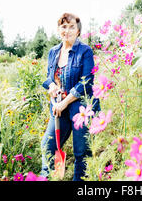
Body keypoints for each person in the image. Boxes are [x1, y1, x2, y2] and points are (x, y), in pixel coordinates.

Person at [40, 12, 100, 181]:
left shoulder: (85, 51)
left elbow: (86, 82)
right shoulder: (53, 52)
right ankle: (47, 178)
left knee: (81, 150)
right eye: (64, 26)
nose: (67, 30)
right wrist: (51, 85)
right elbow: (49, 76)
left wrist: (64, 102)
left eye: (72, 27)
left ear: (78, 31)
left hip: (80, 106)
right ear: (59, 30)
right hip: (59, 106)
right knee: (47, 145)